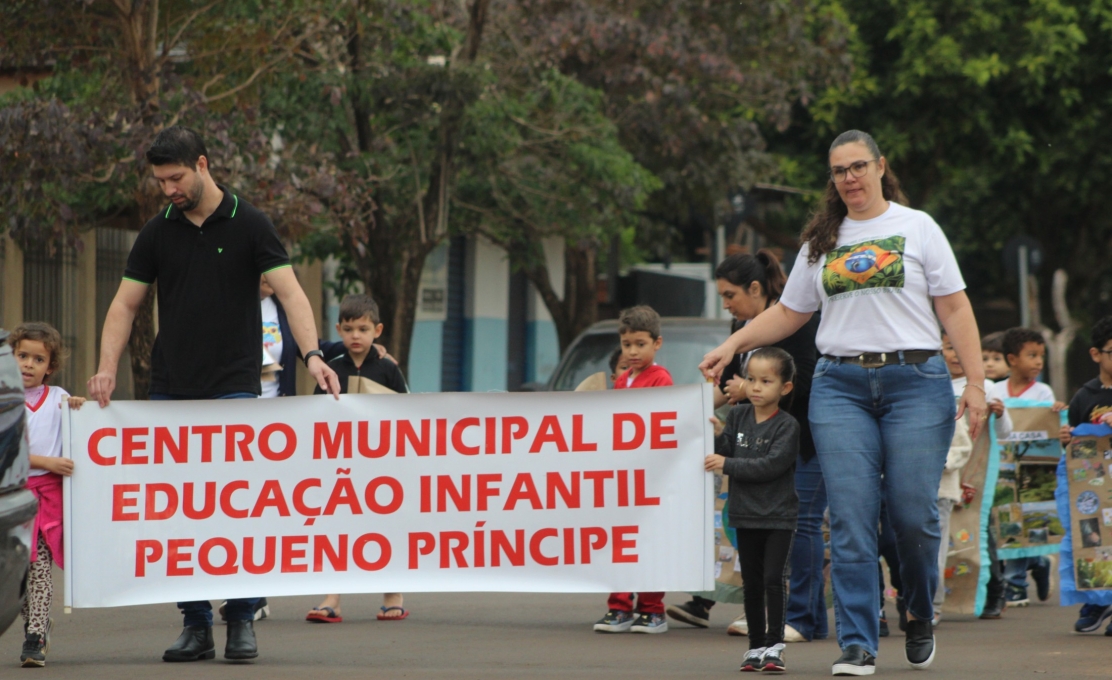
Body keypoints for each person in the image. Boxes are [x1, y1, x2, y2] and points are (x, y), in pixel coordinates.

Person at [700, 129, 988, 676]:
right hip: (840, 388)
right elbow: (789, 312)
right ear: (832, 180)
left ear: (881, 167)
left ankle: (918, 610)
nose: (850, 178)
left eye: (858, 167)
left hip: (915, 381)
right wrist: (734, 342)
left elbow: (954, 308)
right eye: (839, 171)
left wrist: (974, 383)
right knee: (850, 520)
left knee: (912, 515)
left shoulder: (917, 226)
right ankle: (857, 643)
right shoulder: (821, 240)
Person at [87, 125, 340, 664]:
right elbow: (124, 306)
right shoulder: (158, 232)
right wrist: (106, 368)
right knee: (178, 512)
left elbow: (292, 294)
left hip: (234, 390)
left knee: (236, 508)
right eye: (160, 182)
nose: (168, 190)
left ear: (202, 165)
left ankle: (242, 619)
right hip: (172, 390)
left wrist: (313, 355)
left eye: (175, 178)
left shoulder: (250, 223)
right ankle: (195, 623)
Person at [666, 250, 823, 643]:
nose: (726, 304)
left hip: (803, 440)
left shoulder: (798, 322)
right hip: (755, 443)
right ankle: (783, 614)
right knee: (762, 527)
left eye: (730, 294)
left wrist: (747, 390)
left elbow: (803, 383)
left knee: (800, 525)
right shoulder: (744, 329)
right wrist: (679, 411)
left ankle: (802, 618)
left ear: (756, 288)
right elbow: (726, 388)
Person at [305, 294, 409, 623]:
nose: (355, 336)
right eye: (348, 329)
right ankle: (332, 598)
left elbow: (407, 413)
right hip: (340, 466)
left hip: (383, 466)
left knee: (385, 525)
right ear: (338, 329)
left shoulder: (389, 370)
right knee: (337, 527)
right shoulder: (330, 369)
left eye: (363, 329)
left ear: (377, 330)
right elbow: (315, 416)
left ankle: (393, 595)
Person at [705, 347, 800, 673]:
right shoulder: (738, 415)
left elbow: (771, 466)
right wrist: (719, 438)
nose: (756, 387)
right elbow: (729, 450)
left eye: (766, 381)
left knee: (774, 579)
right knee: (753, 582)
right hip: (744, 513)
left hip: (778, 516)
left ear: (784, 388)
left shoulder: (788, 426)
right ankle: (755, 646)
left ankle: (775, 645)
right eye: (751, 379)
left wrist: (727, 463)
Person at [594, 305, 673, 634]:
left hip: (652, 479)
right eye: (627, 345)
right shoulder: (622, 380)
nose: (633, 351)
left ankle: (653, 609)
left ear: (657, 343)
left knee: (650, 541)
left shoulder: (661, 379)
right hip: (622, 479)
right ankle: (619, 605)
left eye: (640, 344)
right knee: (620, 542)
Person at [10, 323, 86, 667]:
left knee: (39, 567)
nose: (28, 364)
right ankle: (35, 622)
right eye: (22, 355)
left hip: (47, 498)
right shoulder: (3, 400)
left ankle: (35, 636)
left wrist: (81, 409)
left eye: (37, 359)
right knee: (18, 573)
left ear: (50, 367)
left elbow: (82, 425)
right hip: (11, 497)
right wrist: (47, 462)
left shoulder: (58, 399)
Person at [935, 332, 1012, 624]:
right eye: (948, 348)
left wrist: (1001, 414)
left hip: (976, 467)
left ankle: (995, 591)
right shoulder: (932, 383)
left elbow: (1005, 433)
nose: (955, 355)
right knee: (941, 535)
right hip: (946, 467)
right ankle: (944, 598)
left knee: (978, 527)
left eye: (960, 348)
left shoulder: (986, 387)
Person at [990, 327, 1066, 607]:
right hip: (1001, 470)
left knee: (1023, 520)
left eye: (1041, 356)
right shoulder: (995, 390)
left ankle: (1016, 583)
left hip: (1034, 473)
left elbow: (1048, 427)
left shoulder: (1044, 392)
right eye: (1031, 355)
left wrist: (1056, 411)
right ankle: (1038, 561)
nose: (1038, 362)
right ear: (1012, 359)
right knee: (1004, 522)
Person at [1058, 316, 1112, 634]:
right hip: (1092, 487)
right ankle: (1097, 599)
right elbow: (1075, 439)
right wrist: (1068, 438)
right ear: (1096, 354)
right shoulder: (1085, 395)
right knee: (1090, 539)